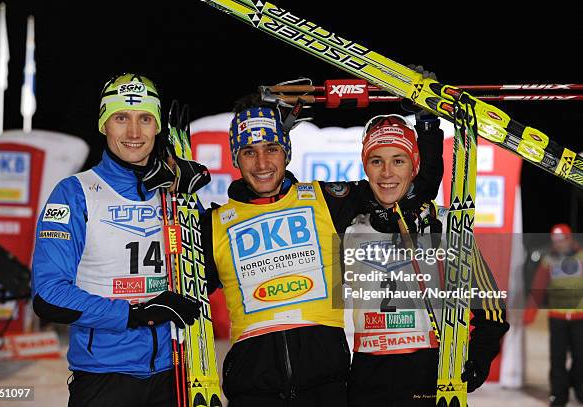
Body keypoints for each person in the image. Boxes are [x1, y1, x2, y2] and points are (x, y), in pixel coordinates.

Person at [200, 93, 445, 406]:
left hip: (325, 389)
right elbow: (185, 294)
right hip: (254, 392)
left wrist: (426, 125)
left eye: (272, 149)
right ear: (236, 158)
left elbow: (408, 190)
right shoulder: (214, 224)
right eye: (249, 152)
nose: (262, 163)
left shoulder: (327, 200)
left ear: (286, 152)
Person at [32, 73, 204, 407]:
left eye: (145, 119)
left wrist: (209, 220)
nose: (134, 133)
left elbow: (196, 274)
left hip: (175, 374)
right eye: (121, 117)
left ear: (157, 127)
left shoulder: (173, 197)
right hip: (104, 379)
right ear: (103, 125)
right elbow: (48, 295)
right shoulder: (74, 193)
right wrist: (136, 314)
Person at [343, 114, 510, 406]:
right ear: (365, 167)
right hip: (366, 376)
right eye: (376, 161)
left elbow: (491, 307)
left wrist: (478, 358)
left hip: (429, 373)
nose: (386, 173)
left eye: (398, 160)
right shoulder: (348, 226)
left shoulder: (445, 225)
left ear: (414, 166)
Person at [526, 224, 582, 407]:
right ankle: (559, 395)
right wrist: (530, 312)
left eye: (562, 240)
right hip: (557, 316)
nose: (558, 244)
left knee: (580, 357)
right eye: (555, 241)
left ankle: (580, 389)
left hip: (580, 318)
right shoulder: (548, 259)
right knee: (557, 358)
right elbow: (538, 286)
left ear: (570, 238)